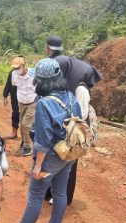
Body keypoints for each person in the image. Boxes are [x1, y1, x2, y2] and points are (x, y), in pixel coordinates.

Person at [1, 58, 82, 223]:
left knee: (36, 194)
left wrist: (38, 165)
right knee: (60, 192)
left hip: (50, 157)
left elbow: (44, 140)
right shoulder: (70, 95)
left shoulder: (44, 103)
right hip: (68, 153)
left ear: (40, 80)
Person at [45, 35, 102, 205]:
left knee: (70, 163)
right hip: (68, 128)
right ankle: (51, 192)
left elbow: (81, 115)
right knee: (58, 158)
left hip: (75, 131)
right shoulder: (71, 87)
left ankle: (65, 197)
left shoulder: (81, 89)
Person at [11, 56, 37, 156]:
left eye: (18, 67)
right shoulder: (14, 74)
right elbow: (15, 87)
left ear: (24, 65)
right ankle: (24, 140)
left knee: (26, 124)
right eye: (15, 68)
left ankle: (28, 147)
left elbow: (39, 87)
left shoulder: (33, 73)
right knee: (22, 124)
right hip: (21, 102)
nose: (16, 70)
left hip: (32, 102)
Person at [2, 56, 23, 140]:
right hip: (15, 97)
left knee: (26, 117)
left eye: (18, 67)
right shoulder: (12, 73)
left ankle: (26, 136)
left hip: (26, 98)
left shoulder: (29, 73)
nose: (16, 69)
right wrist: (5, 96)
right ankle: (14, 132)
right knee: (15, 114)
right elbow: (8, 84)